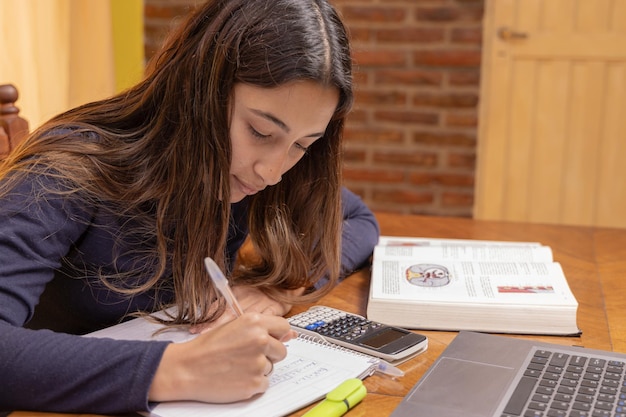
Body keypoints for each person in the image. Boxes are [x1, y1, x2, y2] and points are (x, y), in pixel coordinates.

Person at [0, 0, 380, 414]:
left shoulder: (256, 175)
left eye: (302, 145)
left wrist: (280, 286)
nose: (272, 171)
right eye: (260, 130)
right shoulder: (69, 170)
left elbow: (357, 219)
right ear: (198, 89)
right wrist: (178, 370)